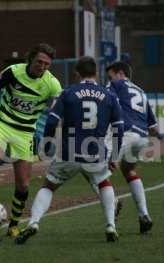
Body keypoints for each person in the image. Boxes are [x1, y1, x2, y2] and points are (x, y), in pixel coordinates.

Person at [15, 56, 124, 244]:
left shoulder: (67, 93)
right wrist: (114, 155)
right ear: (96, 73)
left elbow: (50, 121)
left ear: (76, 73)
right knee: (104, 183)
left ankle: (33, 223)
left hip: (69, 152)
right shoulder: (110, 96)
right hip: (96, 153)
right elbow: (119, 128)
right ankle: (110, 225)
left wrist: (47, 145)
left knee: (49, 186)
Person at [0, 43, 62, 237]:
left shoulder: (52, 84)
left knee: (23, 184)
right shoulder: (14, 72)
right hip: (1, 124)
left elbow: (59, 108)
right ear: (30, 59)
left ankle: (13, 225)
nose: (43, 66)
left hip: (25, 133)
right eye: (39, 62)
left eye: (47, 64)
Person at [105, 61, 158, 234]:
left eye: (110, 75)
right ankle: (144, 215)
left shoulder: (115, 84)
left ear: (120, 73)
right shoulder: (141, 91)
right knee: (129, 171)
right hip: (142, 137)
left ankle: (112, 204)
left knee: (96, 169)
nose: (109, 79)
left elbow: (106, 104)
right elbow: (154, 128)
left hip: (125, 134)